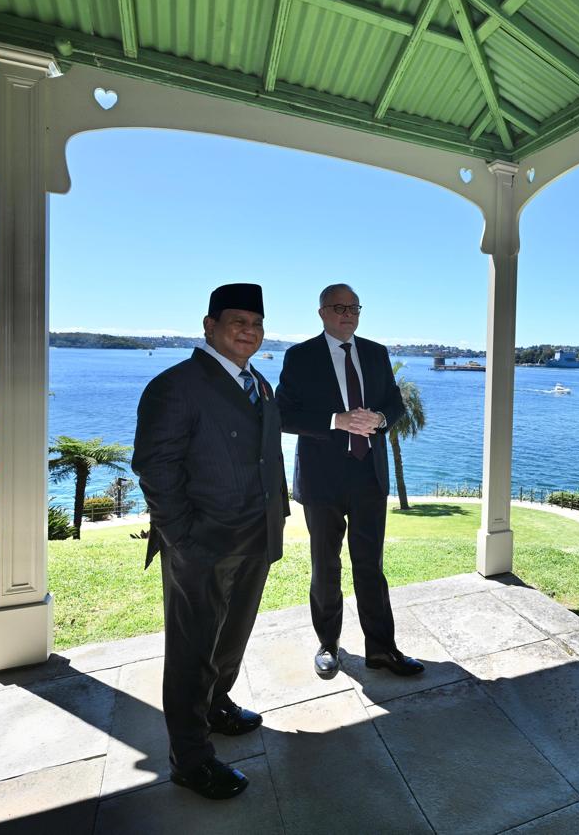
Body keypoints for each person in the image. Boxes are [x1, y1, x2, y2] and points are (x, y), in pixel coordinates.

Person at [132, 283, 288, 800]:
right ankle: (190, 758)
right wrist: (183, 539)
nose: (249, 332)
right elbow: (155, 467)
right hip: (202, 544)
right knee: (191, 651)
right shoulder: (175, 385)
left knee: (232, 635)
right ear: (209, 326)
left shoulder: (258, 383)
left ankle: (217, 706)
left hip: (255, 536)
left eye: (256, 324)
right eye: (238, 321)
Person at [277, 283, 423, 680]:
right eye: (339, 308)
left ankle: (381, 649)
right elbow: (283, 415)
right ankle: (328, 644)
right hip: (322, 478)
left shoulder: (376, 353)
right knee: (325, 565)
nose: (348, 315)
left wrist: (380, 420)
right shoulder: (300, 356)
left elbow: (394, 402)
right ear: (322, 312)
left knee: (370, 566)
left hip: (368, 475)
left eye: (354, 308)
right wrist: (334, 420)